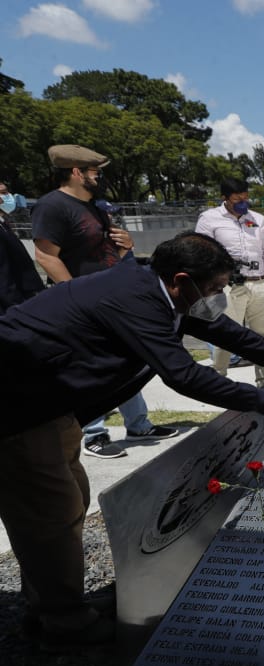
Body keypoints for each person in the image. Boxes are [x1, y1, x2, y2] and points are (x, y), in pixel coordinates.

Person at [0, 232, 264, 648]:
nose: (217, 296)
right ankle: (64, 621)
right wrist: (263, 399)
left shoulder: (161, 290)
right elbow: (183, 375)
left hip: (52, 408)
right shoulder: (135, 299)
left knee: (69, 503)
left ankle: (55, 598)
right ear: (181, 280)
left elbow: (225, 331)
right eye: (213, 288)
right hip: (18, 409)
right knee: (48, 514)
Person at [31, 144, 175, 458]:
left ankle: (138, 424)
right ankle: (94, 432)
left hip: (108, 298)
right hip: (80, 302)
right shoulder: (52, 205)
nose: (99, 176)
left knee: (125, 359)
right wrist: (73, 295)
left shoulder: (96, 206)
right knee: (91, 365)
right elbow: (45, 255)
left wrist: (127, 246)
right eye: (95, 171)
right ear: (76, 172)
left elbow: (104, 249)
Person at [195, 177, 264, 387]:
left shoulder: (258, 219)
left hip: (259, 283)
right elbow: (199, 252)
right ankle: (218, 380)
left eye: (246, 198)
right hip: (228, 286)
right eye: (237, 199)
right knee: (225, 335)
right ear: (224, 198)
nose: (243, 202)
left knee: (262, 335)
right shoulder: (209, 219)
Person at [1, 180, 42, 312]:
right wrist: (16, 306)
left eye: (6, 192)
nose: (8, 196)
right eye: (2, 193)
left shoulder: (3, 224)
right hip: (14, 304)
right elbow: (3, 273)